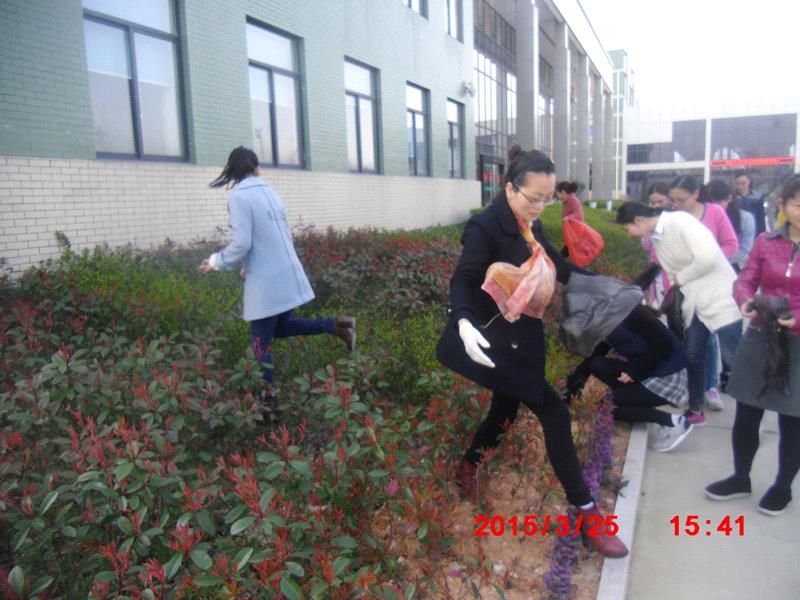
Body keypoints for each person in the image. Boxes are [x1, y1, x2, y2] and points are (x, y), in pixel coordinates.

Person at [437, 145, 628, 558]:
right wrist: (463, 322)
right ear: (510, 189)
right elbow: (463, 279)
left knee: (505, 408)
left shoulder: (530, 224)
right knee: (554, 412)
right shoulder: (485, 227)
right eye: (534, 198)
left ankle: (468, 465)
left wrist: (605, 286)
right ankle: (588, 515)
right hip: (492, 338)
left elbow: (558, 267)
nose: (540, 207)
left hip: (524, 336)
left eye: (547, 199)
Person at [199, 147, 355, 404]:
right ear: (256, 168)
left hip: (267, 283)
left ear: (233, 172)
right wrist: (247, 264)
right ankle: (336, 326)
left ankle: (267, 403)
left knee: (260, 342)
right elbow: (272, 236)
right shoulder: (271, 193)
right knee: (281, 328)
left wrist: (216, 262)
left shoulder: (239, 197)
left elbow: (242, 242)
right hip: (287, 274)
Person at [706, 174, 800, 516]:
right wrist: (745, 299)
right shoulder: (766, 240)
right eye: (798, 204)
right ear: (783, 205)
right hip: (761, 335)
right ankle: (740, 477)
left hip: (797, 343)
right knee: (746, 412)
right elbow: (745, 279)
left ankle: (783, 487)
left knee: (793, 419)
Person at [615, 202, 743, 427]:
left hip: (721, 299)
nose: (629, 235)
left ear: (638, 220)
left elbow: (708, 257)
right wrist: (631, 293)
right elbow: (657, 269)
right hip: (695, 304)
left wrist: (680, 278)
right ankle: (695, 409)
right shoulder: (657, 237)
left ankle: (750, 412)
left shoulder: (679, 222)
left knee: (734, 360)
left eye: (627, 229)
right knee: (693, 355)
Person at [567, 303, 693, 452]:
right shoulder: (604, 321)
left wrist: (635, 371)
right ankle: (633, 400)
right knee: (597, 364)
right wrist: (569, 392)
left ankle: (673, 422)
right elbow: (594, 356)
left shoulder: (631, 313)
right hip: (650, 370)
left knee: (606, 405)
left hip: (668, 377)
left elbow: (665, 344)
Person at [670, 175, 739, 411]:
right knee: (695, 345)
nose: (676, 204)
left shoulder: (715, 213)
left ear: (696, 194)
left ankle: (712, 386)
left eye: (681, 199)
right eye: (673, 200)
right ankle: (696, 395)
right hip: (688, 289)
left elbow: (731, 244)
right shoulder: (674, 219)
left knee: (717, 343)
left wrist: (707, 262)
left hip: (716, 289)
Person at [707, 179, 755, 272]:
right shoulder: (701, 216)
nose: (713, 206)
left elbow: (744, 251)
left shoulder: (745, 219)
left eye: (718, 202)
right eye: (710, 203)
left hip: (730, 267)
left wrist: (715, 260)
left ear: (729, 198)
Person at [734, 171, 766, 236]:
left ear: (749, 181)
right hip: (737, 231)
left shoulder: (758, 197)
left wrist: (762, 234)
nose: (740, 186)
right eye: (737, 184)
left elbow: (761, 218)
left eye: (743, 183)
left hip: (754, 230)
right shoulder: (731, 197)